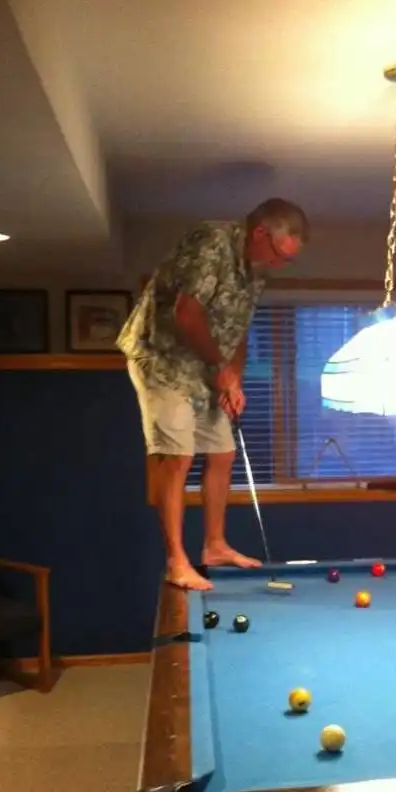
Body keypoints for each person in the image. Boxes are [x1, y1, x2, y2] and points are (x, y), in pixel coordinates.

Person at [118, 198, 309, 590]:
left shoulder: (256, 274)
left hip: (205, 366)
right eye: (279, 253)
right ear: (260, 233)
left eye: (287, 260)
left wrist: (234, 378)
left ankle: (215, 545)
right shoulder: (212, 241)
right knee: (178, 455)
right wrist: (220, 367)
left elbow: (236, 332)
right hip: (161, 357)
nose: (279, 264)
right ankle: (176, 560)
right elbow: (186, 312)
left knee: (222, 452)